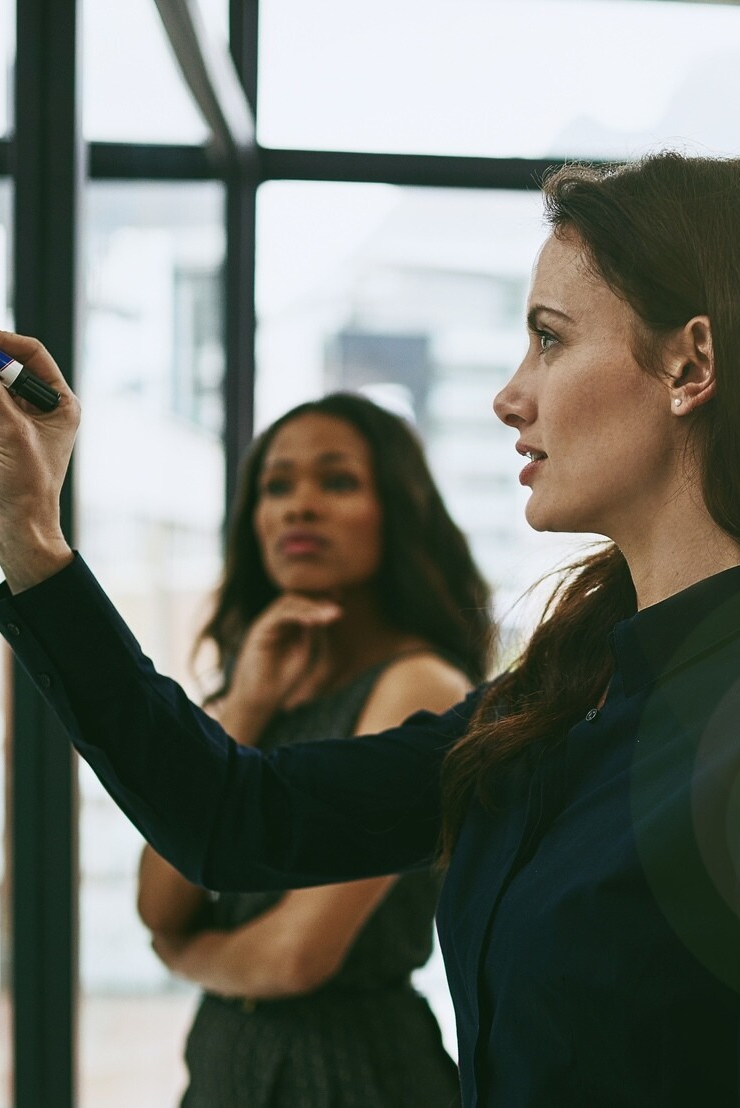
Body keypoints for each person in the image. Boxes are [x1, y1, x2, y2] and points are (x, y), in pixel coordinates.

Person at [0, 153, 740, 1106]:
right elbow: (234, 818)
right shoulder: (574, 683)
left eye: (549, 339)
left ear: (689, 365)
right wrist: (30, 537)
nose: (508, 396)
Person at [134, 393, 488, 1107]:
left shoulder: (420, 682)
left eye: (337, 481)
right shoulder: (251, 686)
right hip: (225, 1064)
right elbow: (158, 902)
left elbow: (297, 956)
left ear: (396, 511)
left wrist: (189, 956)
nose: (300, 506)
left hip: (351, 1074)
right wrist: (248, 707)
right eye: (278, 485)